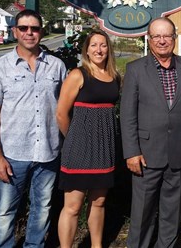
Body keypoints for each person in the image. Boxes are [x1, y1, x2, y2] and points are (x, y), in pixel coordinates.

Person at [0, 9, 67, 247]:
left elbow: (65, 108)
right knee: (5, 211)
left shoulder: (57, 66)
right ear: (15, 31)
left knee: (42, 209)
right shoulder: (0, 68)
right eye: (24, 28)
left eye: (35, 28)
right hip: (13, 155)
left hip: (48, 154)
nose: (29, 33)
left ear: (41, 31)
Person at [120, 17, 181, 248]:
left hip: (179, 153)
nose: (162, 41)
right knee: (142, 215)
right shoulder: (135, 69)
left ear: (174, 38)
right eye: (157, 36)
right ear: (149, 38)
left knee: (172, 215)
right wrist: (131, 152)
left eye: (167, 36)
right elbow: (127, 115)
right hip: (145, 155)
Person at [55, 29, 121, 248]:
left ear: (108, 49)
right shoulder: (78, 74)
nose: (99, 50)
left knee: (99, 202)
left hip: (104, 149)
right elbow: (61, 113)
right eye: (94, 45)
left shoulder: (114, 77)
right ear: (87, 49)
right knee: (73, 206)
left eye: (103, 45)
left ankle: (96, 245)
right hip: (79, 149)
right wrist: (74, 138)